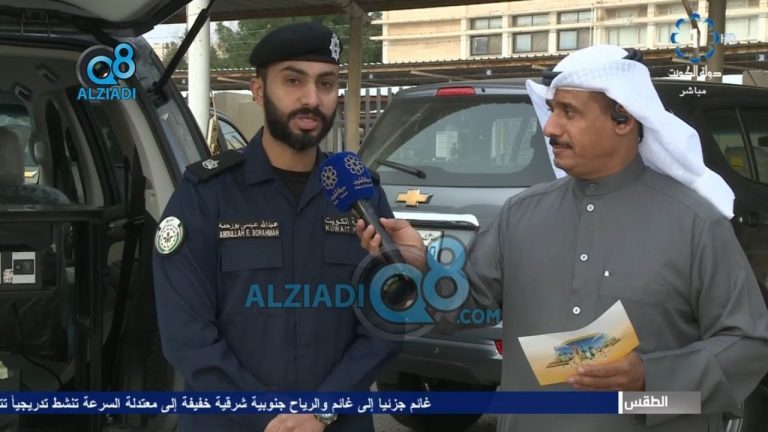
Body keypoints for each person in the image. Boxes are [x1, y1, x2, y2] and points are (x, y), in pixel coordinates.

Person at [356, 45, 768, 431]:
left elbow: (747, 343)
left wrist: (651, 376)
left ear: (624, 119)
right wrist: (422, 263)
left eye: (569, 112)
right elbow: (462, 308)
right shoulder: (521, 213)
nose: (550, 127)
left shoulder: (693, 222)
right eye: (553, 110)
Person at [153, 22, 400, 432]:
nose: (311, 99)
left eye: (326, 83)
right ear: (257, 89)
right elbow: (186, 333)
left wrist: (321, 411)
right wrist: (267, 418)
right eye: (292, 81)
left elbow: (388, 321)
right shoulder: (207, 194)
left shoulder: (361, 195)